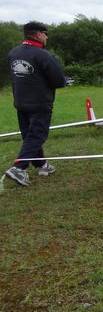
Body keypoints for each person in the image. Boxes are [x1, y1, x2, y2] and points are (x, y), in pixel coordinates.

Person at [5, 21, 67, 187]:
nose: (46, 37)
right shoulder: (43, 55)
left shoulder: (13, 53)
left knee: (30, 136)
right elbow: (58, 80)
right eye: (45, 34)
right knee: (37, 135)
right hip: (40, 103)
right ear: (39, 34)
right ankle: (19, 168)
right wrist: (64, 81)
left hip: (20, 102)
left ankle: (41, 165)